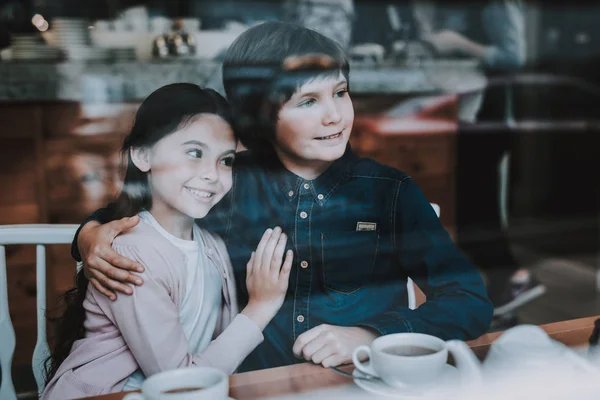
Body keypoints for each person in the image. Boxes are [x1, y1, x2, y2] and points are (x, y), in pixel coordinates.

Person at [71, 22, 493, 372]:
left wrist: (371, 334)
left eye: (340, 92)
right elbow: (135, 216)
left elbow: (469, 301)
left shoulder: (390, 192)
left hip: (359, 386)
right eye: (308, 101)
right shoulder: (225, 184)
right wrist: (90, 236)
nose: (334, 115)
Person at [42, 83, 293, 399]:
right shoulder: (131, 256)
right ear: (143, 155)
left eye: (225, 160)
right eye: (194, 152)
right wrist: (260, 307)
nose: (213, 175)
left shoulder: (212, 244)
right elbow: (181, 384)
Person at [418, 0, 546, 317]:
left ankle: (515, 279)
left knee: (476, 208)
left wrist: (456, 42)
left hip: (488, 117)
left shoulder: (497, 4)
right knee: (472, 208)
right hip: (475, 115)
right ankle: (505, 290)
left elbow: (513, 56)